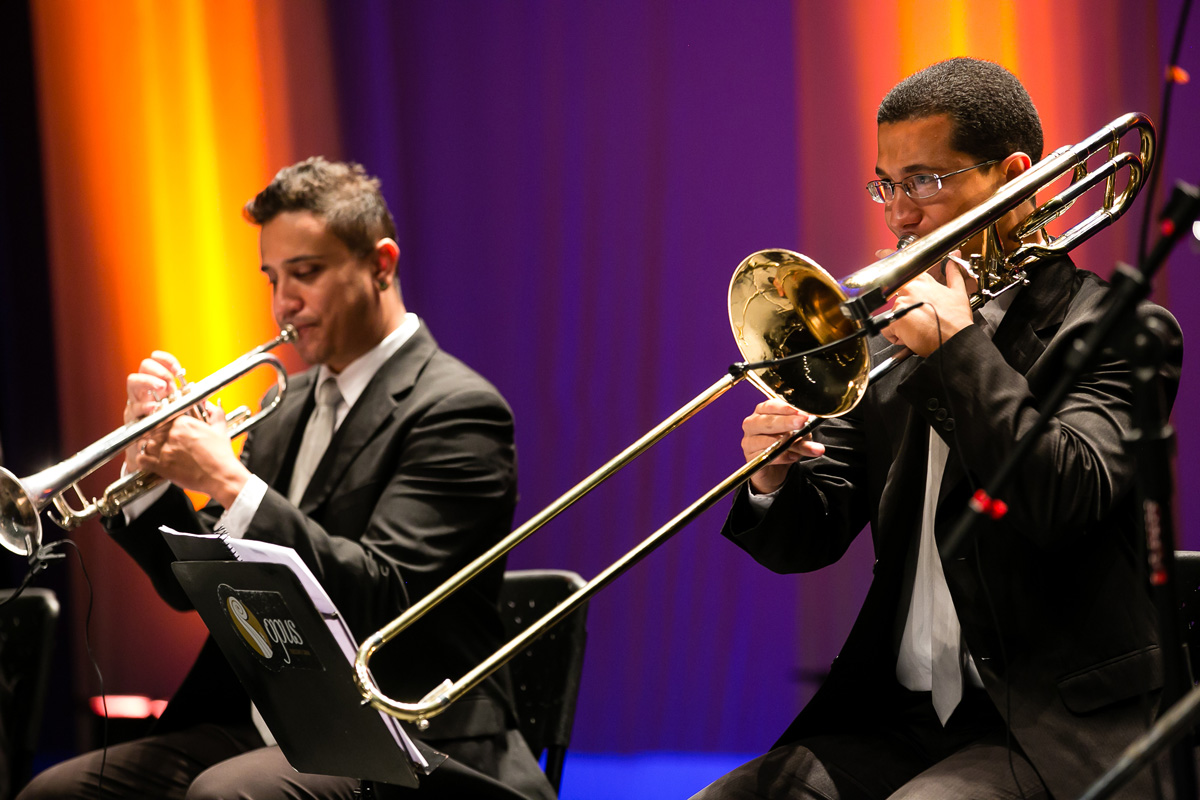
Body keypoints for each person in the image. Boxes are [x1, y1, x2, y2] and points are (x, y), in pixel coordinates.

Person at [692, 58, 1181, 799]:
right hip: (899, 717)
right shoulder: (891, 342)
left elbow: (1061, 500)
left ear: (1013, 176)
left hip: (1048, 723)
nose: (898, 214)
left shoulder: (1119, 330)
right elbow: (811, 541)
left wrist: (959, 349)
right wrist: (773, 478)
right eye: (886, 184)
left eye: (924, 180)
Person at [20, 158, 555, 800]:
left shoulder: (458, 409)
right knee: (58, 793)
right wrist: (151, 471)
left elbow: (390, 597)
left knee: (229, 795)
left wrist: (227, 479)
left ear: (381, 264)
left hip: (406, 733)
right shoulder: (285, 408)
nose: (283, 304)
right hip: (266, 726)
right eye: (273, 278)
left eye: (306, 273)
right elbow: (195, 590)